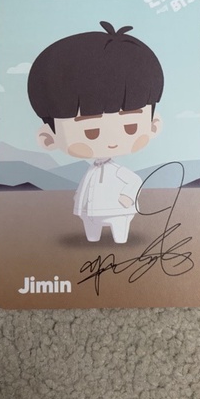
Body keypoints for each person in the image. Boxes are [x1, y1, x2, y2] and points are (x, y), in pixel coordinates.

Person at [27, 21, 164, 243]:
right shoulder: (93, 170)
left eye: (130, 127)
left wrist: (126, 197)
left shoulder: (116, 171)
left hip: (117, 209)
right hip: (91, 211)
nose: (111, 141)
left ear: (153, 125)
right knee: (92, 230)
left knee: (119, 229)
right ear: (48, 138)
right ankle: (92, 237)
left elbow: (134, 181)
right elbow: (85, 187)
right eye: (91, 132)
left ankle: (119, 239)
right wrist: (78, 200)